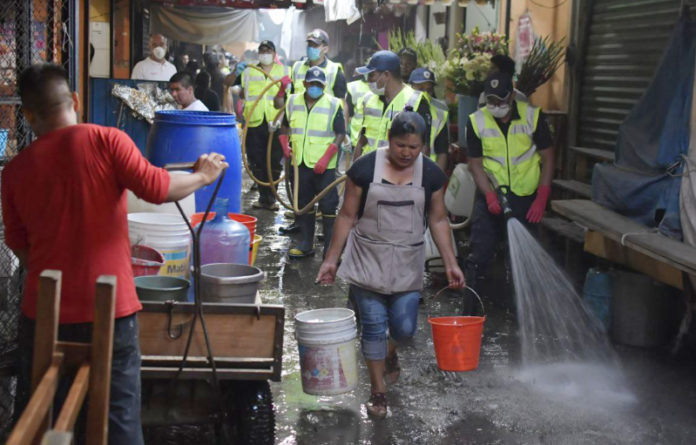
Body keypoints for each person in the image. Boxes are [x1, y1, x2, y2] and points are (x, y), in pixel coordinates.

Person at [4, 63, 228, 444]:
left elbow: (19, 245)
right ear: (74, 100)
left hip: (44, 313)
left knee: (48, 417)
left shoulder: (15, 171)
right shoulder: (107, 140)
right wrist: (203, 176)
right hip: (110, 311)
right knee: (120, 417)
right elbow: (157, 187)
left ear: (27, 115)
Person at [316, 109, 465, 419]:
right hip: (367, 261)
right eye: (400, 145)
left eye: (414, 147)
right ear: (389, 140)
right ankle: (378, 392)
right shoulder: (364, 168)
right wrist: (331, 260)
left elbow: (438, 219)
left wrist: (450, 262)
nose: (407, 153)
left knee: (405, 328)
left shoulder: (433, 176)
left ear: (423, 146)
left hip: (408, 264)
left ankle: (390, 353)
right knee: (372, 324)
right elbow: (346, 215)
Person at [465, 72, 554, 287]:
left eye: (501, 100)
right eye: (491, 100)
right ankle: (472, 309)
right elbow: (475, 164)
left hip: (526, 199)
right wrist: (489, 196)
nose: (496, 105)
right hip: (492, 197)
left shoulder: (533, 116)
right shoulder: (476, 121)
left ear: (512, 95)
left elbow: (549, 158)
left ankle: (520, 309)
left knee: (524, 260)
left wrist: (542, 197)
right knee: (480, 253)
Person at [280, 67, 345, 258]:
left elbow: (341, 134)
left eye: (319, 85)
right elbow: (285, 127)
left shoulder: (333, 104)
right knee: (303, 204)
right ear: (305, 84)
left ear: (324, 86)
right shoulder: (292, 101)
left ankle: (330, 251)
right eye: (311, 84)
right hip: (299, 164)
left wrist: (326, 157)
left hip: (324, 167)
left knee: (328, 205)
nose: (314, 87)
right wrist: (285, 146)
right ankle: (305, 244)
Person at [238, 40, 290, 210]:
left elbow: (289, 98)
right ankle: (263, 196)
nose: (265, 53)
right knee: (256, 160)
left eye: (268, 50)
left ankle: (272, 197)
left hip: (276, 121)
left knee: (274, 160)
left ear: (274, 54)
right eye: (262, 50)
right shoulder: (248, 71)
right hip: (254, 122)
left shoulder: (283, 71)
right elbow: (242, 93)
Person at [352, 50, 431, 159]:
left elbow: (424, 146)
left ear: (386, 75)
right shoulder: (368, 99)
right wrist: (354, 171)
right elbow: (362, 140)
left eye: (371, 75)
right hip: (368, 170)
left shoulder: (416, 101)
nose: (368, 81)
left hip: (397, 171)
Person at [409, 67, 450, 171]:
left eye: (429, 90)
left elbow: (442, 151)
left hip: (427, 172)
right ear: (410, 87)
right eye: (421, 89)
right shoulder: (399, 106)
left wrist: (437, 181)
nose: (425, 94)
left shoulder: (439, 112)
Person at [346, 73, 371, 147]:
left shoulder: (384, 88)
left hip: (374, 141)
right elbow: (348, 113)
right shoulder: (352, 87)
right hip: (357, 139)